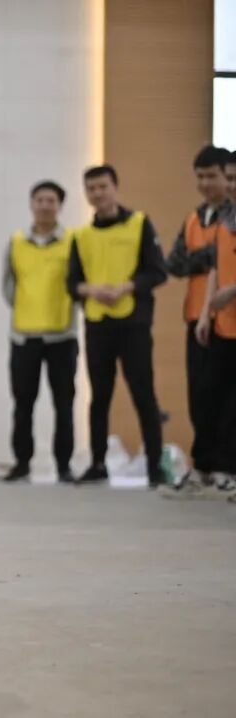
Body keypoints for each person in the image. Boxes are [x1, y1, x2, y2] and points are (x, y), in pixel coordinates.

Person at [68, 164, 167, 486]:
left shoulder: (139, 224)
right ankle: (98, 463)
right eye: (91, 189)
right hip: (98, 324)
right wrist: (92, 290)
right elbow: (72, 283)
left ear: (115, 187)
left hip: (133, 323)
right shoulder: (81, 236)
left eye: (103, 187)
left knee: (143, 393)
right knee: (99, 396)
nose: (98, 193)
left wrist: (125, 287)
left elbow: (157, 271)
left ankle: (155, 466)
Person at [161, 146, 231, 494]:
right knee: (199, 396)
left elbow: (218, 258)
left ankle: (224, 467)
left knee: (224, 398)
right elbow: (173, 264)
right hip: (197, 316)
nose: (205, 183)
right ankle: (202, 466)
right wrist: (206, 257)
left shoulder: (231, 216)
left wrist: (202, 257)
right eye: (200, 177)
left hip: (227, 317)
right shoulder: (194, 217)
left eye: (212, 176)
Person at [1, 181, 78, 483]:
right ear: (31, 204)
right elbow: (8, 283)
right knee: (23, 403)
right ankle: (22, 463)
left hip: (62, 335)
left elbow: (77, 281)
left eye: (51, 201)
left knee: (64, 404)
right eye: (40, 200)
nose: (45, 206)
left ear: (60, 206)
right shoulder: (17, 241)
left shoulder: (72, 241)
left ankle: (64, 465)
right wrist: (23, 305)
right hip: (24, 335)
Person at [182, 191, 236, 501]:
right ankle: (206, 468)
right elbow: (215, 266)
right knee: (208, 396)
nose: (231, 185)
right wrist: (206, 313)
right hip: (223, 324)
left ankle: (226, 469)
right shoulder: (224, 221)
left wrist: (233, 290)